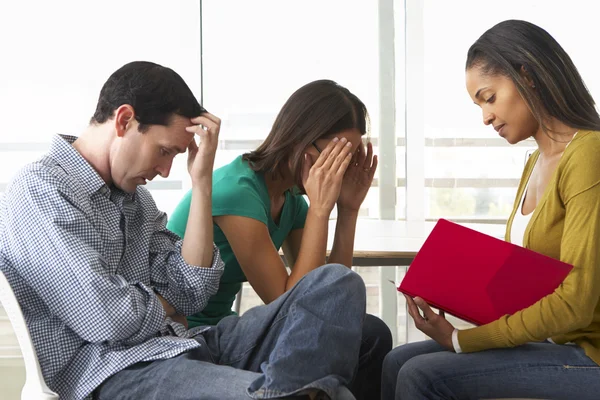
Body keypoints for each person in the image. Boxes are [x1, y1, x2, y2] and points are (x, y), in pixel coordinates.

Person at [0, 61, 369, 400]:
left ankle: (289, 393)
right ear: (124, 120)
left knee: (338, 284)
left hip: (183, 344)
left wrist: (202, 180)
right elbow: (106, 317)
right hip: (114, 372)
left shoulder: (136, 201)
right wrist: (165, 305)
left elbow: (191, 292)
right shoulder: (41, 190)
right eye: (164, 151)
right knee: (336, 392)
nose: (164, 171)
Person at [381, 19, 600, 400]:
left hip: (588, 355)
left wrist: (463, 341)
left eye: (489, 97)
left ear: (527, 75)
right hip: (554, 341)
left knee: (421, 375)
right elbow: (530, 281)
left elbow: (576, 303)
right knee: (396, 362)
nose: (485, 117)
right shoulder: (535, 162)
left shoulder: (589, 154)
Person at [167, 79, 392, 400]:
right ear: (300, 143)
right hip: (192, 334)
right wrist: (320, 209)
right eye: (333, 157)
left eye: (347, 160)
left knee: (368, 332)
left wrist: (348, 210)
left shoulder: (289, 201)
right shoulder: (239, 193)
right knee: (367, 336)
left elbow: (328, 293)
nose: (338, 172)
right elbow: (289, 303)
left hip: (226, 328)